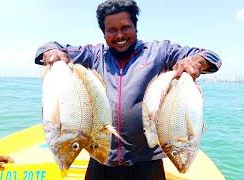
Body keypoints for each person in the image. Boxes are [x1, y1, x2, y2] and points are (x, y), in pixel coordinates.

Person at [34, 0, 222, 179]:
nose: (119, 36)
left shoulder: (159, 52)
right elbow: (48, 48)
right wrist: (51, 53)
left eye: (125, 28)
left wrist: (196, 61)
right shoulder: (93, 55)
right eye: (111, 30)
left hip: (147, 161)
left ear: (136, 26)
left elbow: (211, 57)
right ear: (104, 33)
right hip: (101, 159)